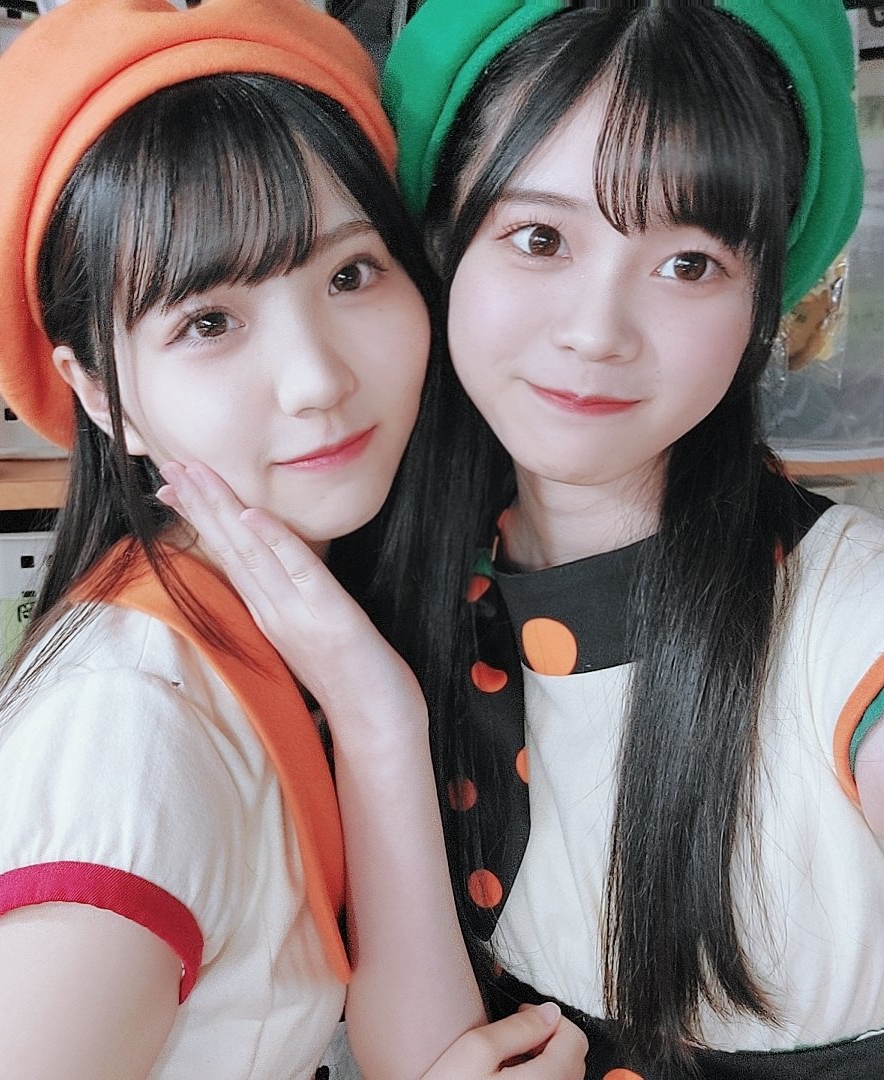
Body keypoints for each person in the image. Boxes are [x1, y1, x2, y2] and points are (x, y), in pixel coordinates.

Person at [0, 1, 587, 1078]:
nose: (318, 378)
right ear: (100, 391)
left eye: (350, 274)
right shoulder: (127, 735)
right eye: (209, 322)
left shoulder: (280, 633)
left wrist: (377, 720)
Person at [365, 1, 884, 1076]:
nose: (596, 331)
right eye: (540, 238)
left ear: (765, 300)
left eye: (689, 263)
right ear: (445, 244)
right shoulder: (405, 587)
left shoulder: (850, 620)